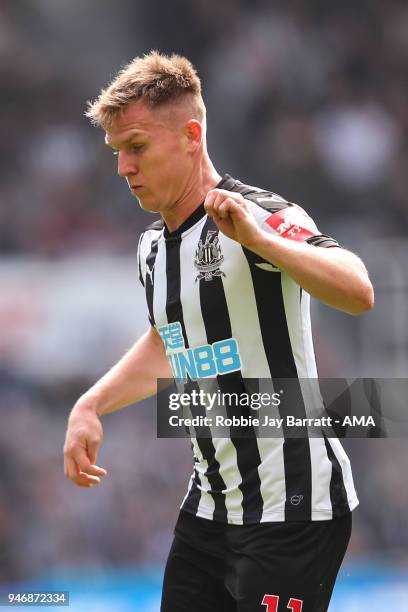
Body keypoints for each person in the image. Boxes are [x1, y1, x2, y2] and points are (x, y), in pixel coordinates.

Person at [64, 51, 374, 611]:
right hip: (210, 511)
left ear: (190, 135)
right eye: (116, 153)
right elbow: (169, 341)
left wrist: (263, 243)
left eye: (136, 147)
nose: (123, 168)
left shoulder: (258, 214)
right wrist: (91, 404)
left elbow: (358, 289)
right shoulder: (153, 249)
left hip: (293, 509)